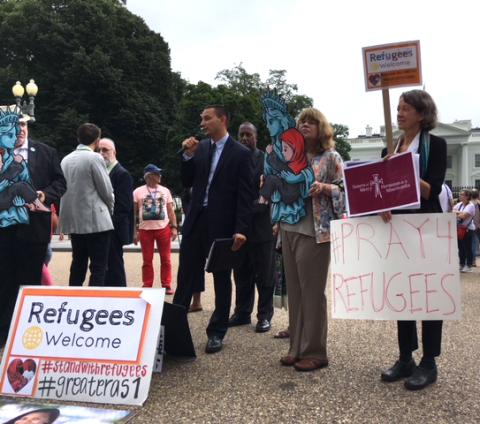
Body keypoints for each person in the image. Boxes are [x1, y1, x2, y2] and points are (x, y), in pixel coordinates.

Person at [379, 89, 447, 391]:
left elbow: (431, 189)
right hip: (399, 229)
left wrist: (402, 167)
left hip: (426, 227)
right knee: (402, 294)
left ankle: (429, 361)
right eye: (397, 107)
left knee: (429, 294)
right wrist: (382, 206)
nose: (399, 113)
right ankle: (405, 356)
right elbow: (385, 191)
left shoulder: (438, 145)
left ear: (422, 113)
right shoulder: (389, 148)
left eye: (406, 108)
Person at [173, 105, 253, 354]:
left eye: (207, 118)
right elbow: (187, 181)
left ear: (222, 119)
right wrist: (187, 156)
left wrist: (241, 229)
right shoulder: (202, 147)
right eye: (201, 119)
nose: (203, 123)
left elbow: (245, 194)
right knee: (185, 273)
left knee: (221, 276)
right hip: (197, 219)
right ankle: (174, 330)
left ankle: (217, 332)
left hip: (223, 224)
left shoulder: (240, 153)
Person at [279, 107, 344, 372]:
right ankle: (296, 348)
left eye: (311, 122)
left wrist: (324, 187)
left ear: (321, 128)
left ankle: (316, 351)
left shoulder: (331, 157)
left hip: (315, 230)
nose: (305, 125)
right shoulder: (291, 158)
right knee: (294, 291)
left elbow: (345, 189)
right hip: (289, 227)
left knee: (312, 292)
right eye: (301, 122)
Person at [0, 111, 66, 346]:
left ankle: (27, 335)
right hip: (4, 230)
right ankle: (4, 335)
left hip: (34, 228)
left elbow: (60, 182)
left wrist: (45, 194)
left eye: (22, 124)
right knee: (4, 282)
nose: (19, 129)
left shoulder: (46, 152)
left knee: (30, 282)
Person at [228, 122, 275, 333]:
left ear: (256, 137)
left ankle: (264, 316)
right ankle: (242, 312)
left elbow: (268, 191)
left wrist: (247, 208)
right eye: (241, 135)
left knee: (264, 275)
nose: (245, 138)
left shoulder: (266, 161)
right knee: (241, 273)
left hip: (261, 226)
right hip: (239, 228)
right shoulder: (234, 158)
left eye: (248, 134)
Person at [59, 123, 114, 286]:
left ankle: (74, 296)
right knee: (99, 266)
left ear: (78, 138)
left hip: (74, 220)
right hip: (96, 221)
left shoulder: (65, 160)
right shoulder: (95, 158)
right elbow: (106, 189)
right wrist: (110, 209)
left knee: (78, 263)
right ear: (97, 141)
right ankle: (94, 301)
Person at [133, 164, 177, 293]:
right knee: (147, 259)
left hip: (163, 228)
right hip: (145, 230)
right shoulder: (137, 191)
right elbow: (134, 213)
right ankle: (147, 284)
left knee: (166, 259)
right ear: (150, 176)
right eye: (157, 174)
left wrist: (174, 227)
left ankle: (166, 284)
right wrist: (134, 231)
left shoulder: (165, 190)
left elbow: (170, 210)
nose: (160, 176)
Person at [98, 138, 134, 286]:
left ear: (114, 152)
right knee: (105, 264)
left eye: (105, 150)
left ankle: (120, 295)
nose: (101, 153)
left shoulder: (122, 174)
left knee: (115, 264)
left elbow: (123, 206)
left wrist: (108, 225)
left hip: (113, 228)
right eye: (99, 150)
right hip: (103, 226)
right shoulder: (102, 172)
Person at [453, 189, 475, 273]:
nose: (460, 196)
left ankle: (469, 265)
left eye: (462, 194)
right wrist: (459, 212)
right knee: (461, 248)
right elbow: (451, 211)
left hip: (468, 229)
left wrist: (457, 212)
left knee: (467, 248)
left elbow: (463, 216)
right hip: (459, 229)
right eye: (460, 194)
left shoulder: (471, 206)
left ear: (467, 196)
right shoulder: (459, 204)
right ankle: (462, 264)